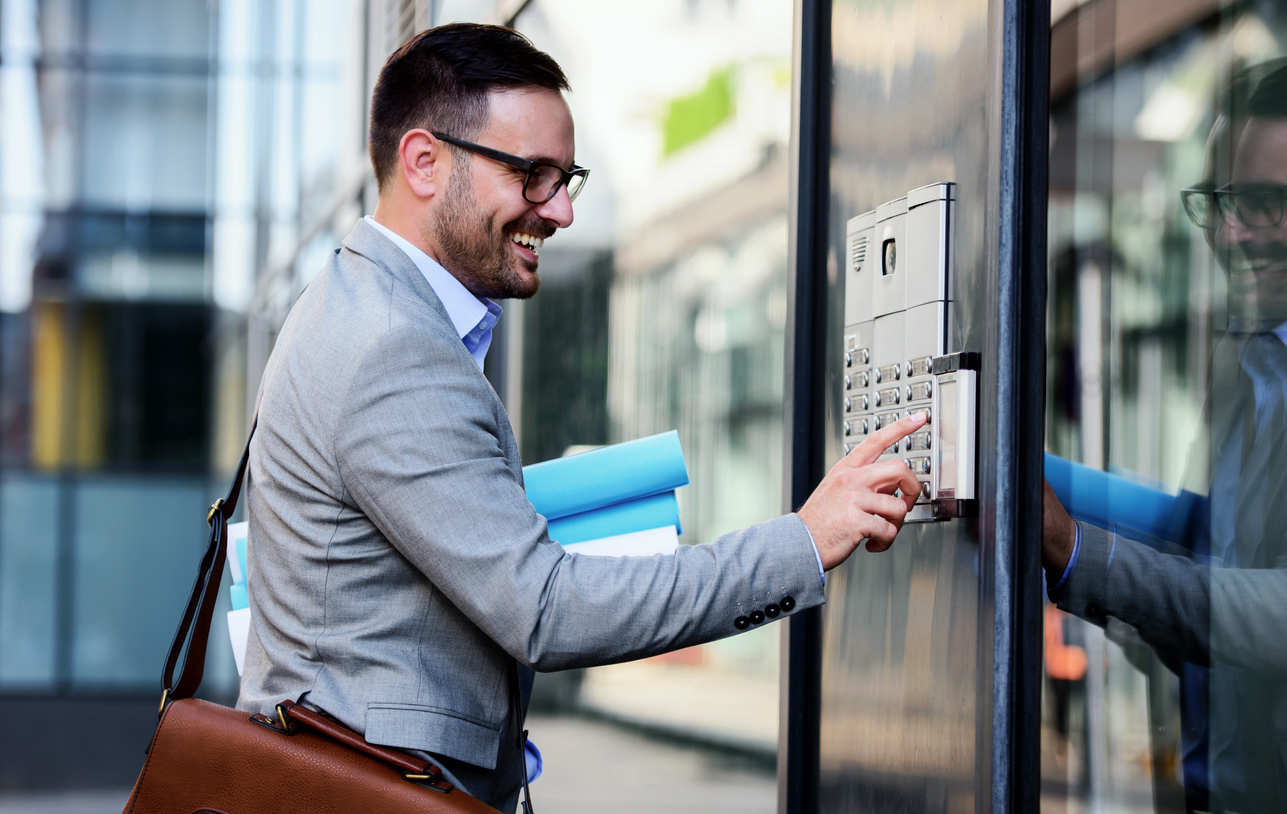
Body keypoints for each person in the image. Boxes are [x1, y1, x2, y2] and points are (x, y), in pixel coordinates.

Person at [236, 23, 927, 811]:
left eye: (567, 178)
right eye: (531, 175)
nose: (559, 210)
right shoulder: (391, 345)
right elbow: (546, 611)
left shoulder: (360, 306)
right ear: (423, 162)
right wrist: (803, 540)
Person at [1042, 62, 1287, 811]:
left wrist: (1072, 548)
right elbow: (1201, 537)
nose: (1227, 231)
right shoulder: (1249, 365)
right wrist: (1023, 470)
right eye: (1215, 202)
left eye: (1259, 203)